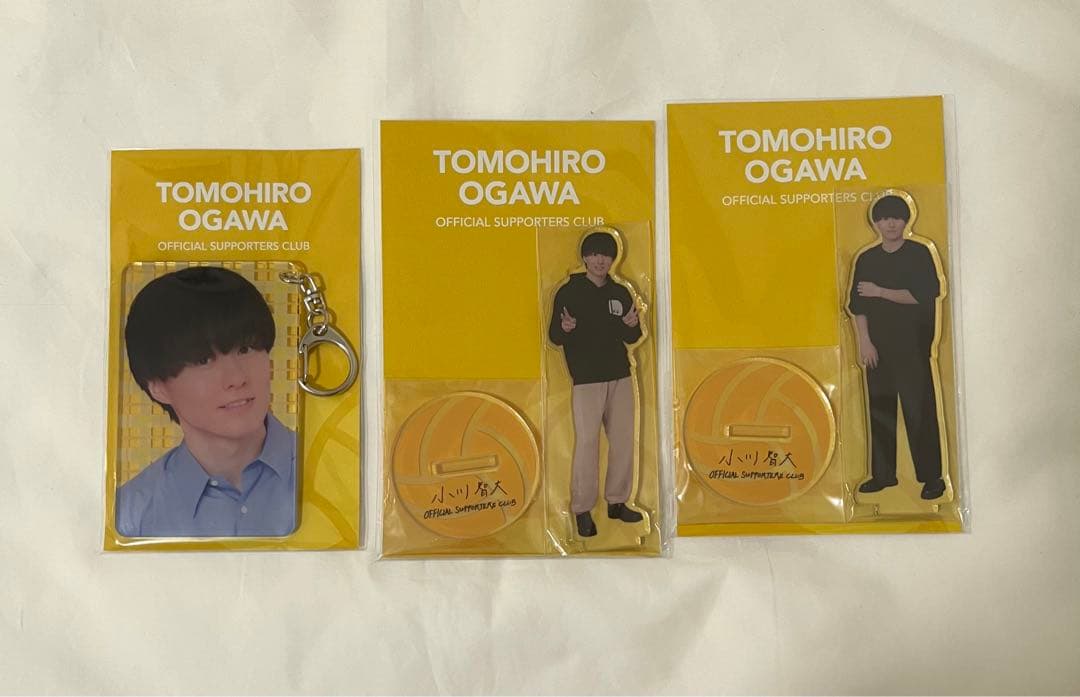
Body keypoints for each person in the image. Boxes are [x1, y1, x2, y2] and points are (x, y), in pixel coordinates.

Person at [116, 266, 297, 537]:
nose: (236, 378)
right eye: (203, 360)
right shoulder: (129, 515)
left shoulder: (335, 467)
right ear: (158, 387)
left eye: (245, 349)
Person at [848, 194, 946, 500]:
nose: (890, 223)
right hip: (877, 348)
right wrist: (864, 342)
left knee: (920, 411)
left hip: (913, 347)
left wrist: (879, 291)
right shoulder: (867, 259)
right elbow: (858, 306)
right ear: (875, 223)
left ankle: (932, 478)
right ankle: (882, 475)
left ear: (906, 220)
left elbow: (922, 295)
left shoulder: (919, 254)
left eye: (896, 217)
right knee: (880, 411)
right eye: (884, 218)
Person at [548, 229, 645, 537]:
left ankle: (617, 501)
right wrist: (565, 328)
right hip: (586, 379)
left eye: (606, 254)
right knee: (587, 443)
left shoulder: (620, 292)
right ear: (585, 258)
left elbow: (632, 336)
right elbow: (554, 336)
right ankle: (582, 509)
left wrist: (631, 325)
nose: (600, 260)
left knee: (624, 440)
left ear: (613, 259)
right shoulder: (569, 292)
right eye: (594, 254)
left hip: (620, 375)